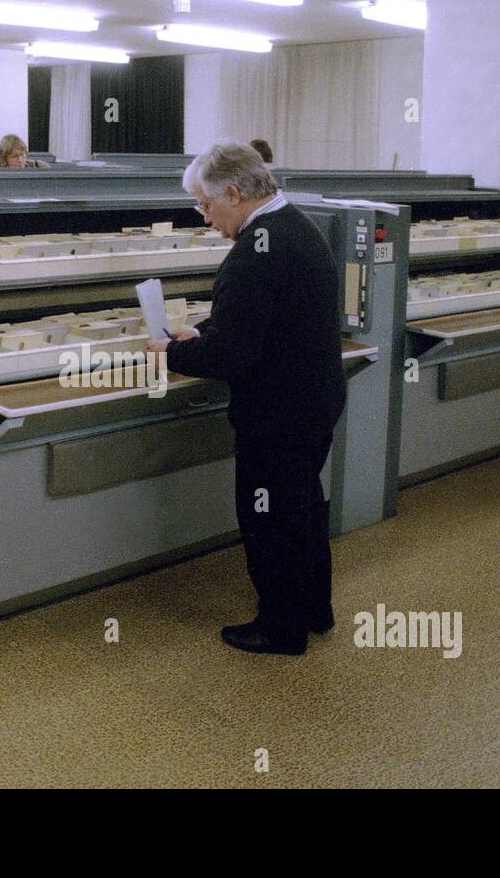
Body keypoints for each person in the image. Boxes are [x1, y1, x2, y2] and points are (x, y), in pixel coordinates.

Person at [147, 142, 346, 656]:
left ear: (234, 193)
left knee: (270, 522)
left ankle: (280, 630)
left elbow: (232, 356)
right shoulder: (298, 228)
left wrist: (171, 353)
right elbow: (260, 319)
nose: (206, 217)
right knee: (302, 509)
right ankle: (313, 609)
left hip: (276, 414)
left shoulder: (254, 253)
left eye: (206, 205)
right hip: (314, 400)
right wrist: (205, 332)